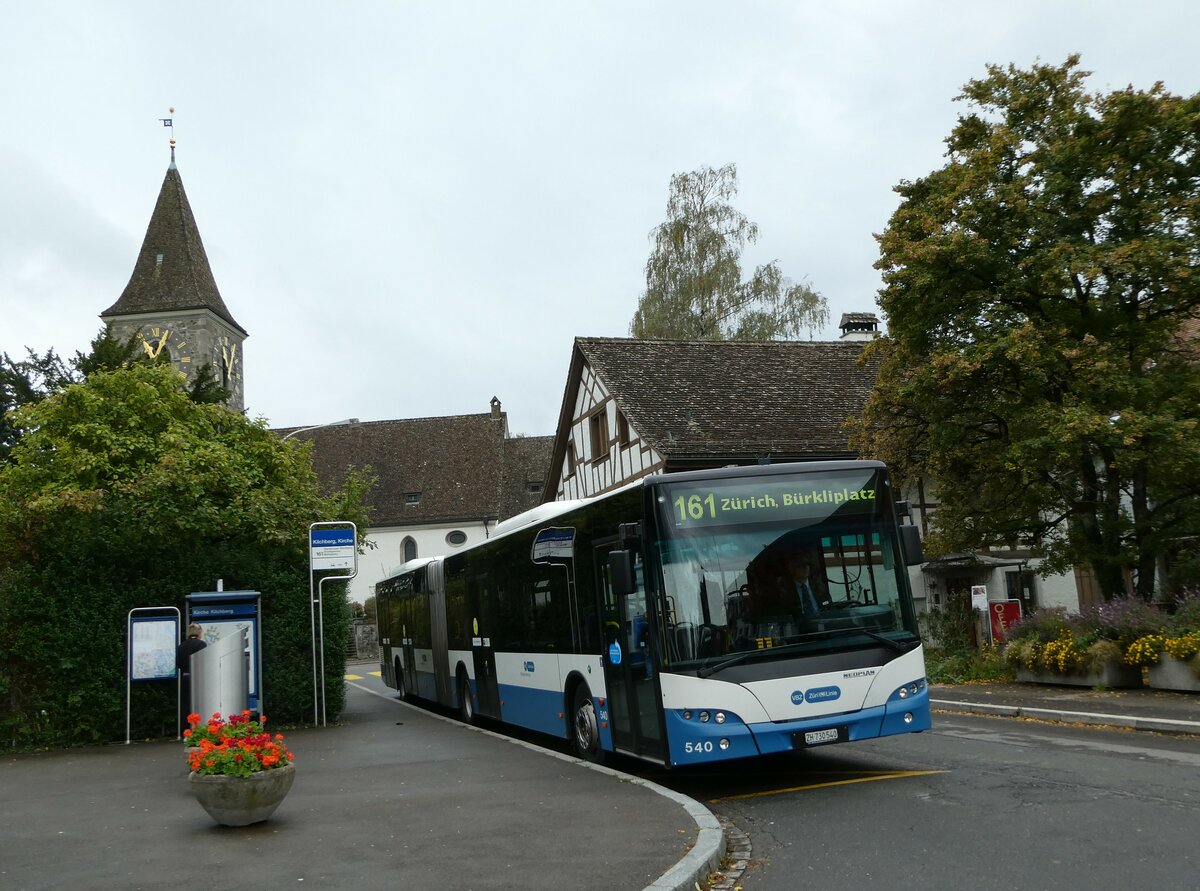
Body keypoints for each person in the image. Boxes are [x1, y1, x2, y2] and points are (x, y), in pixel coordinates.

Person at [176, 623, 207, 732]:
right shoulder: (201, 645)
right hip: (198, 677)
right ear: (199, 633)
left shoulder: (181, 646)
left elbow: (178, 663)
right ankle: (199, 729)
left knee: (186, 704)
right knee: (200, 703)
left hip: (185, 677)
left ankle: (186, 731)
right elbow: (205, 662)